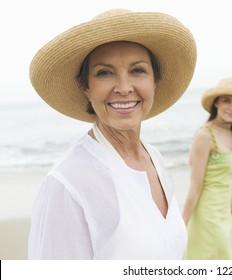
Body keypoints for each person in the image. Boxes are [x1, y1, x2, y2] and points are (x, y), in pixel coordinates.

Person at [28, 9, 197, 260]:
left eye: (138, 70)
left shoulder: (156, 159)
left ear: (155, 81)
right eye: (104, 73)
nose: (124, 88)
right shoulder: (68, 184)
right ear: (85, 86)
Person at [182, 77, 232, 259]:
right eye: (226, 100)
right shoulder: (204, 135)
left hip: (224, 214)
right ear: (216, 103)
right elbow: (194, 188)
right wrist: (180, 227)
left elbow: (227, 183)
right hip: (207, 216)